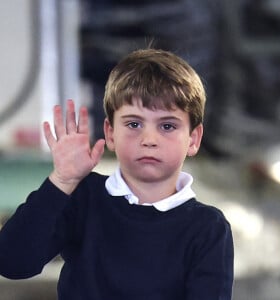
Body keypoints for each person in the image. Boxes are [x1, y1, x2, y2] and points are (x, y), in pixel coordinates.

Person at [0, 48, 234, 299]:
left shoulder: (209, 228)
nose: (149, 139)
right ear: (110, 133)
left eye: (167, 126)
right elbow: (13, 262)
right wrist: (62, 180)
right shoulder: (83, 196)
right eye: (134, 124)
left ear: (193, 139)